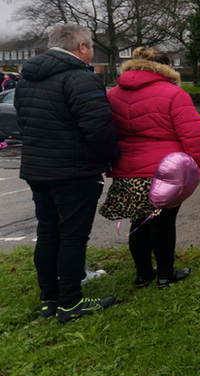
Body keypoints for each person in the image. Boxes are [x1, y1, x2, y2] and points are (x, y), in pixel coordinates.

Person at [14, 24, 121, 323]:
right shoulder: (80, 78)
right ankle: (71, 302)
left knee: (47, 234)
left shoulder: (27, 79)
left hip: (38, 169)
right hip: (74, 172)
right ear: (82, 47)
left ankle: (49, 299)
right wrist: (113, 157)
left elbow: (25, 122)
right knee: (73, 238)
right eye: (91, 48)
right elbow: (99, 128)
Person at [100, 47, 200, 289]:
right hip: (165, 171)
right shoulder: (173, 94)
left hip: (128, 170)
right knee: (164, 223)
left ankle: (143, 274)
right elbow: (193, 134)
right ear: (166, 68)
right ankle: (165, 274)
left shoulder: (113, 95)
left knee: (138, 221)